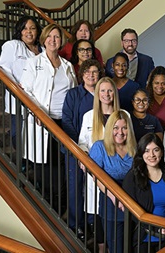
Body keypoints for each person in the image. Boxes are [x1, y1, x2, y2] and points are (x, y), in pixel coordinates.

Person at [20, 23, 77, 210]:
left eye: (57, 37)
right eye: (50, 36)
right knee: (44, 168)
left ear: (61, 41)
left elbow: (74, 93)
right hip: (42, 121)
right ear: (44, 39)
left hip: (64, 122)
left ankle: (60, 207)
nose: (53, 40)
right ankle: (48, 207)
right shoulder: (33, 63)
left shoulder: (67, 66)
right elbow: (25, 92)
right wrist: (35, 112)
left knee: (61, 166)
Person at [122, 132, 165, 252]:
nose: (151, 155)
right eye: (146, 150)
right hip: (144, 237)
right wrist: (156, 229)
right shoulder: (132, 178)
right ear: (141, 153)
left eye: (156, 150)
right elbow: (131, 211)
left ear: (161, 152)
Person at [61, 59, 104, 238]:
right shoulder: (73, 94)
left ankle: (92, 223)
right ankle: (75, 225)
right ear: (82, 74)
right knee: (75, 188)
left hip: (99, 151)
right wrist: (78, 148)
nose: (91, 75)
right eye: (87, 72)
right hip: (76, 150)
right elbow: (67, 121)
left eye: (94, 72)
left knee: (95, 188)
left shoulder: (103, 94)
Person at [78, 76, 120, 252]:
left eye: (109, 90)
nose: (106, 94)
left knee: (112, 213)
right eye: (102, 90)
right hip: (94, 172)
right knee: (96, 214)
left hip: (116, 173)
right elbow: (82, 143)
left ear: (114, 93)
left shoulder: (122, 115)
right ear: (97, 93)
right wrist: (84, 157)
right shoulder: (89, 117)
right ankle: (102, 249)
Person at [89, 110, 137, 253]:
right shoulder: (99, 147)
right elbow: (96, 177)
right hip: (111, 203)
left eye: (124, 128)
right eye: (116, 128)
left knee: (132, 246)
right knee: (117, 248)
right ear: (110, 129)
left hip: (133, 203)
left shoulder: (135, 149)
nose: (120, 132)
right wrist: (115, 198)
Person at [0, 15, 43, 149]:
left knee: (35, 133)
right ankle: (20, 161)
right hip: (18, 97)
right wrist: (16, 88)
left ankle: (31, 160)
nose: (29, 32)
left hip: (39, 98)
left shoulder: (43, 50)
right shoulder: (13, 46)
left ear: (37, 31)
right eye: (25, 29)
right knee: (18, 132)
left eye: (32, 28)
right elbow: (3, 70)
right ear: (20, 31)